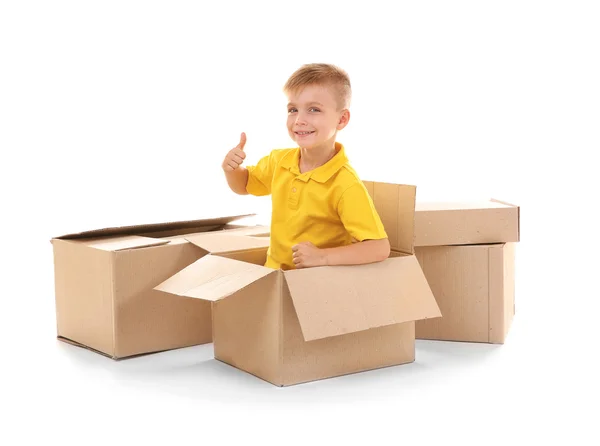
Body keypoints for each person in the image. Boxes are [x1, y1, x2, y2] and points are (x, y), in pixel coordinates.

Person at [221, 63, 390, 270]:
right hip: (274, 275)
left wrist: (322, 257)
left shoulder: (344, 183)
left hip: (314, 285)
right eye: (293, 110)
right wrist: (232, 170)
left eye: (313, 109)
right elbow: (244, 185)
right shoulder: (279, 161)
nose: (299, 120)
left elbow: (379, 247)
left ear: (342, 119)